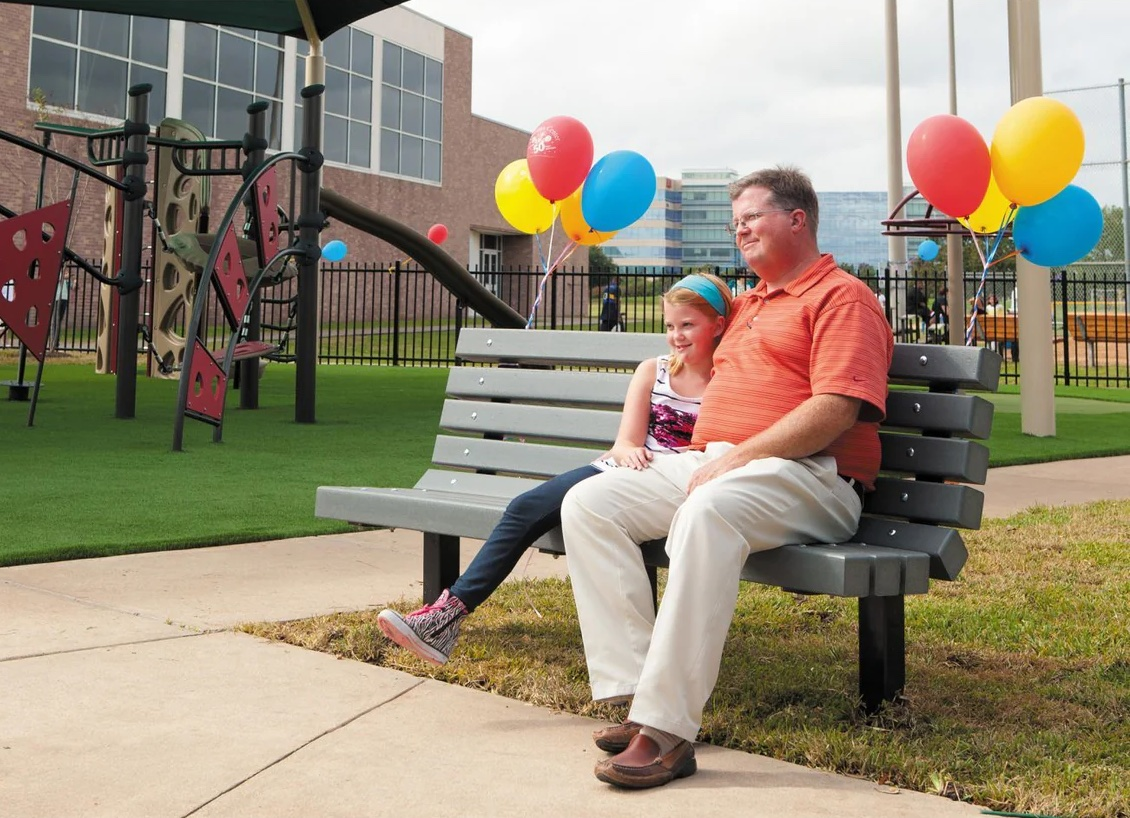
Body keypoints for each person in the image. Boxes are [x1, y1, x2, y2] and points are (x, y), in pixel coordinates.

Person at [561, 166, 893, 789]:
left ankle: (667, 730)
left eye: (752, 217)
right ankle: (638, 697)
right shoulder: (748, 303)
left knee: (707, 509)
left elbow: (835, 409)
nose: (738, 229)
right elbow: (691, 321)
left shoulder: (842, 297)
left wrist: (738, 456)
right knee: (589, 502)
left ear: (798, 220)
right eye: (734, 221)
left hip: (811, 475)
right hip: (718, 463)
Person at [376, 273, 733, 665]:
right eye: (669, 326)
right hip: (623, 472)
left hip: (673, 486)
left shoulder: (732, 380)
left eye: (687, 325)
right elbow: (625, 441)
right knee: (526, 506)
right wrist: (628, 451)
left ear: (717, 324)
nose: (677, 336)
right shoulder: (654, 370)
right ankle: (445, 617)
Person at [49, 269, 75, 352]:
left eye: (67, 272)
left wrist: (74, 282)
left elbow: (73, 288)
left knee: (59, 320)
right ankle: (53, 342)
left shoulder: (67, 281)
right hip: (57, 299)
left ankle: (56, 342)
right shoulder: (58, 274)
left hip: (64, 299)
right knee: (55, 320)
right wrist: (66, 276)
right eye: (66, 272)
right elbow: (59, 279)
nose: (67, 273)